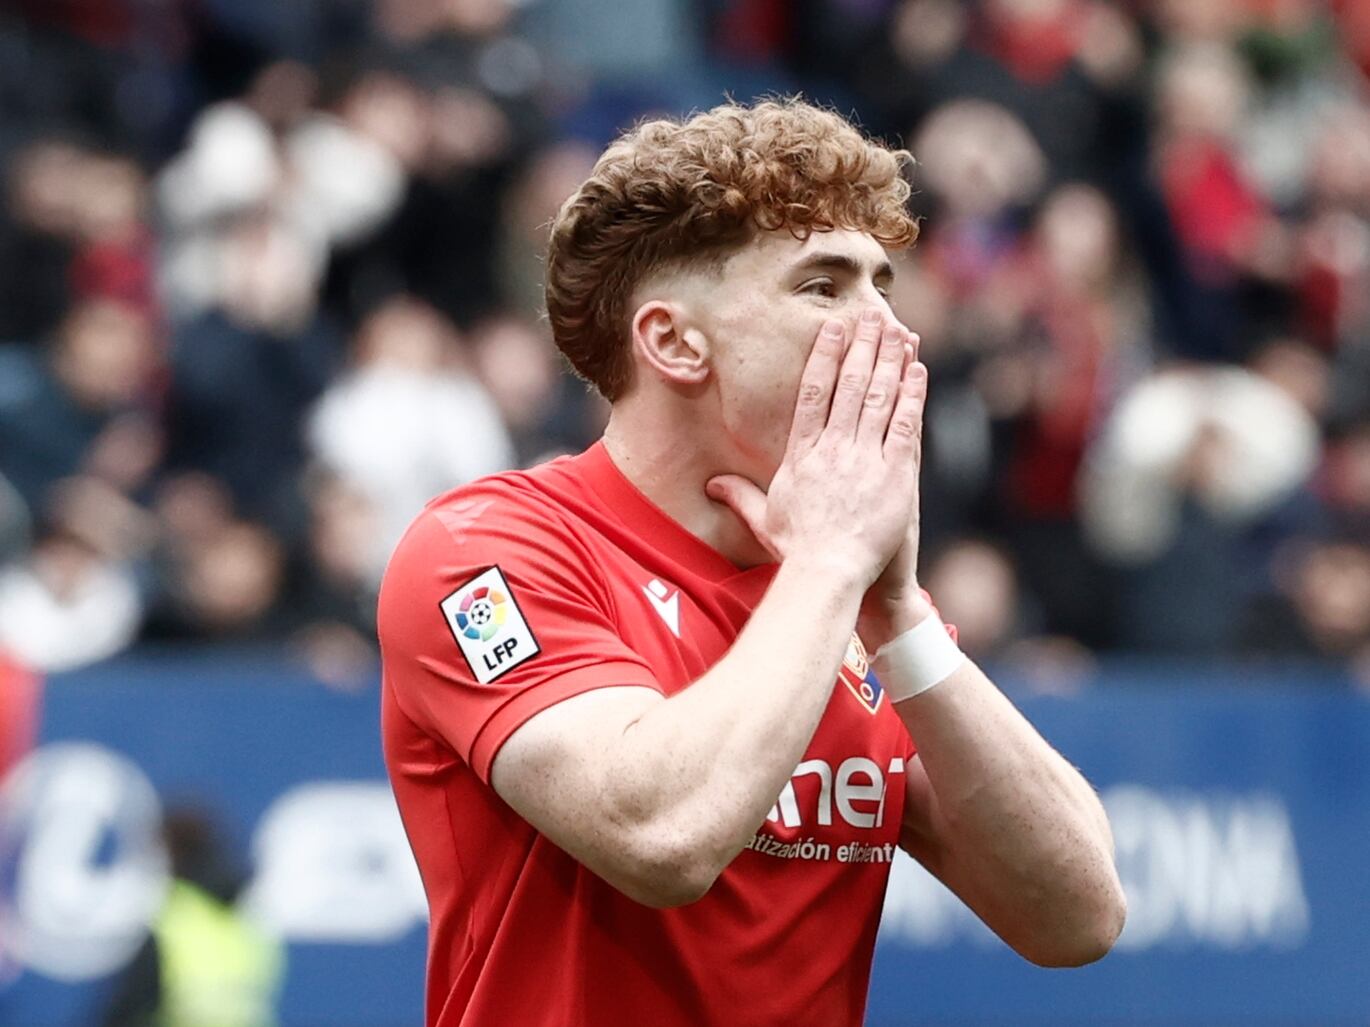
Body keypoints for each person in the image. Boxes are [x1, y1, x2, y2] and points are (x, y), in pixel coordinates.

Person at [378, 98, 1126, 1027]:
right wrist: (830, 567)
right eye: (825, 286)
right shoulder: (491, 548)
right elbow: (659, 835)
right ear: (673, 341)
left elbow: (1077, 915)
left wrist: (897, 611)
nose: (891, 328)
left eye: (883, 283)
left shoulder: (843, 588)